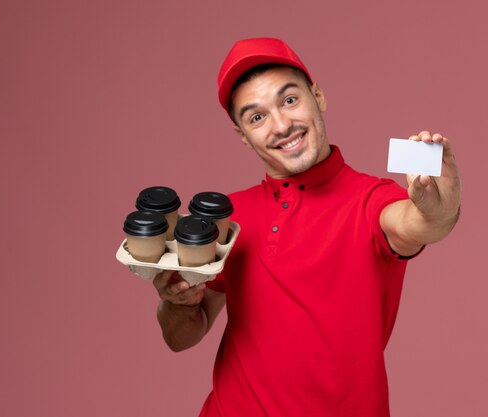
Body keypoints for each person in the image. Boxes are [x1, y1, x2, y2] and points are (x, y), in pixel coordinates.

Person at [152, 38, 461, 417]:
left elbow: (421, 223)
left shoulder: (372, 199)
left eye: (289, 100)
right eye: (256, 117)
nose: (281, 125)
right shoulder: (229, 217)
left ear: (318, 96)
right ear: (242, 136)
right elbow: (183, 335)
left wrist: (440, 208)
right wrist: (176, 303)